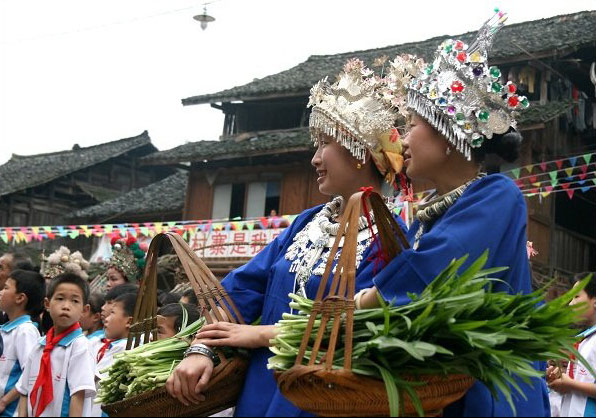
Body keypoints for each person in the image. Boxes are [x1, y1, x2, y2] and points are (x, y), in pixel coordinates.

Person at [166, 57, 418, 415]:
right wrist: (201, 349)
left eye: (324, 144)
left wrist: (260, 335)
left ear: (359, 151)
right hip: (261, 391)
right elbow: (241, 290)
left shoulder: (390, 239)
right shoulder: (307, 223)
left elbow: (359, 324)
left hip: (326, 399)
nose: (315, 159)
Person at [353, 11, 549, 417]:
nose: (402, 140)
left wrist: (367, 300)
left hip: (488, 392)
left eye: (412, 125)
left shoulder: (498, 195)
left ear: (447, 134)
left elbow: (437, 268)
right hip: (437, 390)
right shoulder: (425, 216)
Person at [16, 273, 96, 417]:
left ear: (84, 310)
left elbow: (78, 396)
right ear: (47, 304)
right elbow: (24, 390)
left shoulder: (80, 346)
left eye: (75, 301)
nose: (66, 306)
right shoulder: (39, 346)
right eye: (60, 299)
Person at [547, 272, 596, 417]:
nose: (570, 303)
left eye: (576, 296)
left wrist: (569, 385)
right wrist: (560, 378)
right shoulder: (586, 338)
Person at [0, 270, 45, 417]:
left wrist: (5, 401)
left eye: (6, 288)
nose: (1, 292)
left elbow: (31, 373)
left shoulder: (25, 331)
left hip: (10, 411)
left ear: (20, 298)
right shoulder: (6, 329)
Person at [90, 292, 137, 417]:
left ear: (129, 321)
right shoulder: (106, 342)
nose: (106, 319)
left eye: (112, 313)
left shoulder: (125, 347)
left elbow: (91, 377)